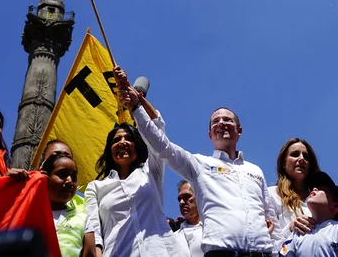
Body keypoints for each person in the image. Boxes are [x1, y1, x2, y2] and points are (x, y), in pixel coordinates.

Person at [118, 67, 275, 257]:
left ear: (239, 131)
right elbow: (163, 147)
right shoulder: (199, 164)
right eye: (216, 121)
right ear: (210, 134)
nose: (222, 123)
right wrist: (136, 107)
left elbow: (269, 216)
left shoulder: (255, 170)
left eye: (228, 120)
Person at [83, 86, 188, 257]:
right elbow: (93, 231)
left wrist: (136, 103)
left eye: (129, 138)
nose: (123, 142)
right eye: (117, 140)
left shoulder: (151, 171)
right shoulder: (95, 188)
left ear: (137, 146)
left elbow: (157, 128)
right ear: (110, 150)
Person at [280, 171, 338, 256]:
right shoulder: (298, 232)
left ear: (336, 207)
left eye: (323, 190)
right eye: (314, 188)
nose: (314, 189)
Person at [269, 138, 321, 252]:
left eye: (306, 157)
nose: (301, 159)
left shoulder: (321, 197)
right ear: (283, 163)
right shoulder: (271, 194)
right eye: (295, 154)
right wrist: (290, 228)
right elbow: (270, 243)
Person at [40, 151, 91, 257]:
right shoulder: (27, 212)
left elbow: (90, 254)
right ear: (45, 177)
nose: (69, 181)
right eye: (62, 174)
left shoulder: (84, 219)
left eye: (74, 177)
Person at [176, 180, 203, 257]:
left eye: (186, 197)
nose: (181, 202)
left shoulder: (211, 230)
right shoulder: (173, 237)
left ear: (199, 197)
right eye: (179, 199)